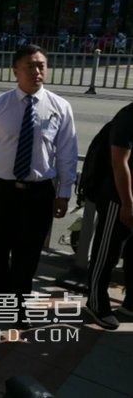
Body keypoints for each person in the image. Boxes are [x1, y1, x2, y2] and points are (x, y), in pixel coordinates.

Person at [0, 44, 77, 329]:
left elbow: (67, 152)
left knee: (28, 253)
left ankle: (19, 305)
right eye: (30, 66)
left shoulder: (60, 107)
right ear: (15, 70)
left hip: (40, 192)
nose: (37, 71)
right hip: (3, 190)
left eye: (42, 65)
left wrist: (64, 193)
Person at [85, 102, 133, 330]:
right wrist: (127, 203)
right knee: (107, 252)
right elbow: (119, 162)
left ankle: (130, 303)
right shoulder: (128, 117)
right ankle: (96, 303)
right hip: (119, 198)